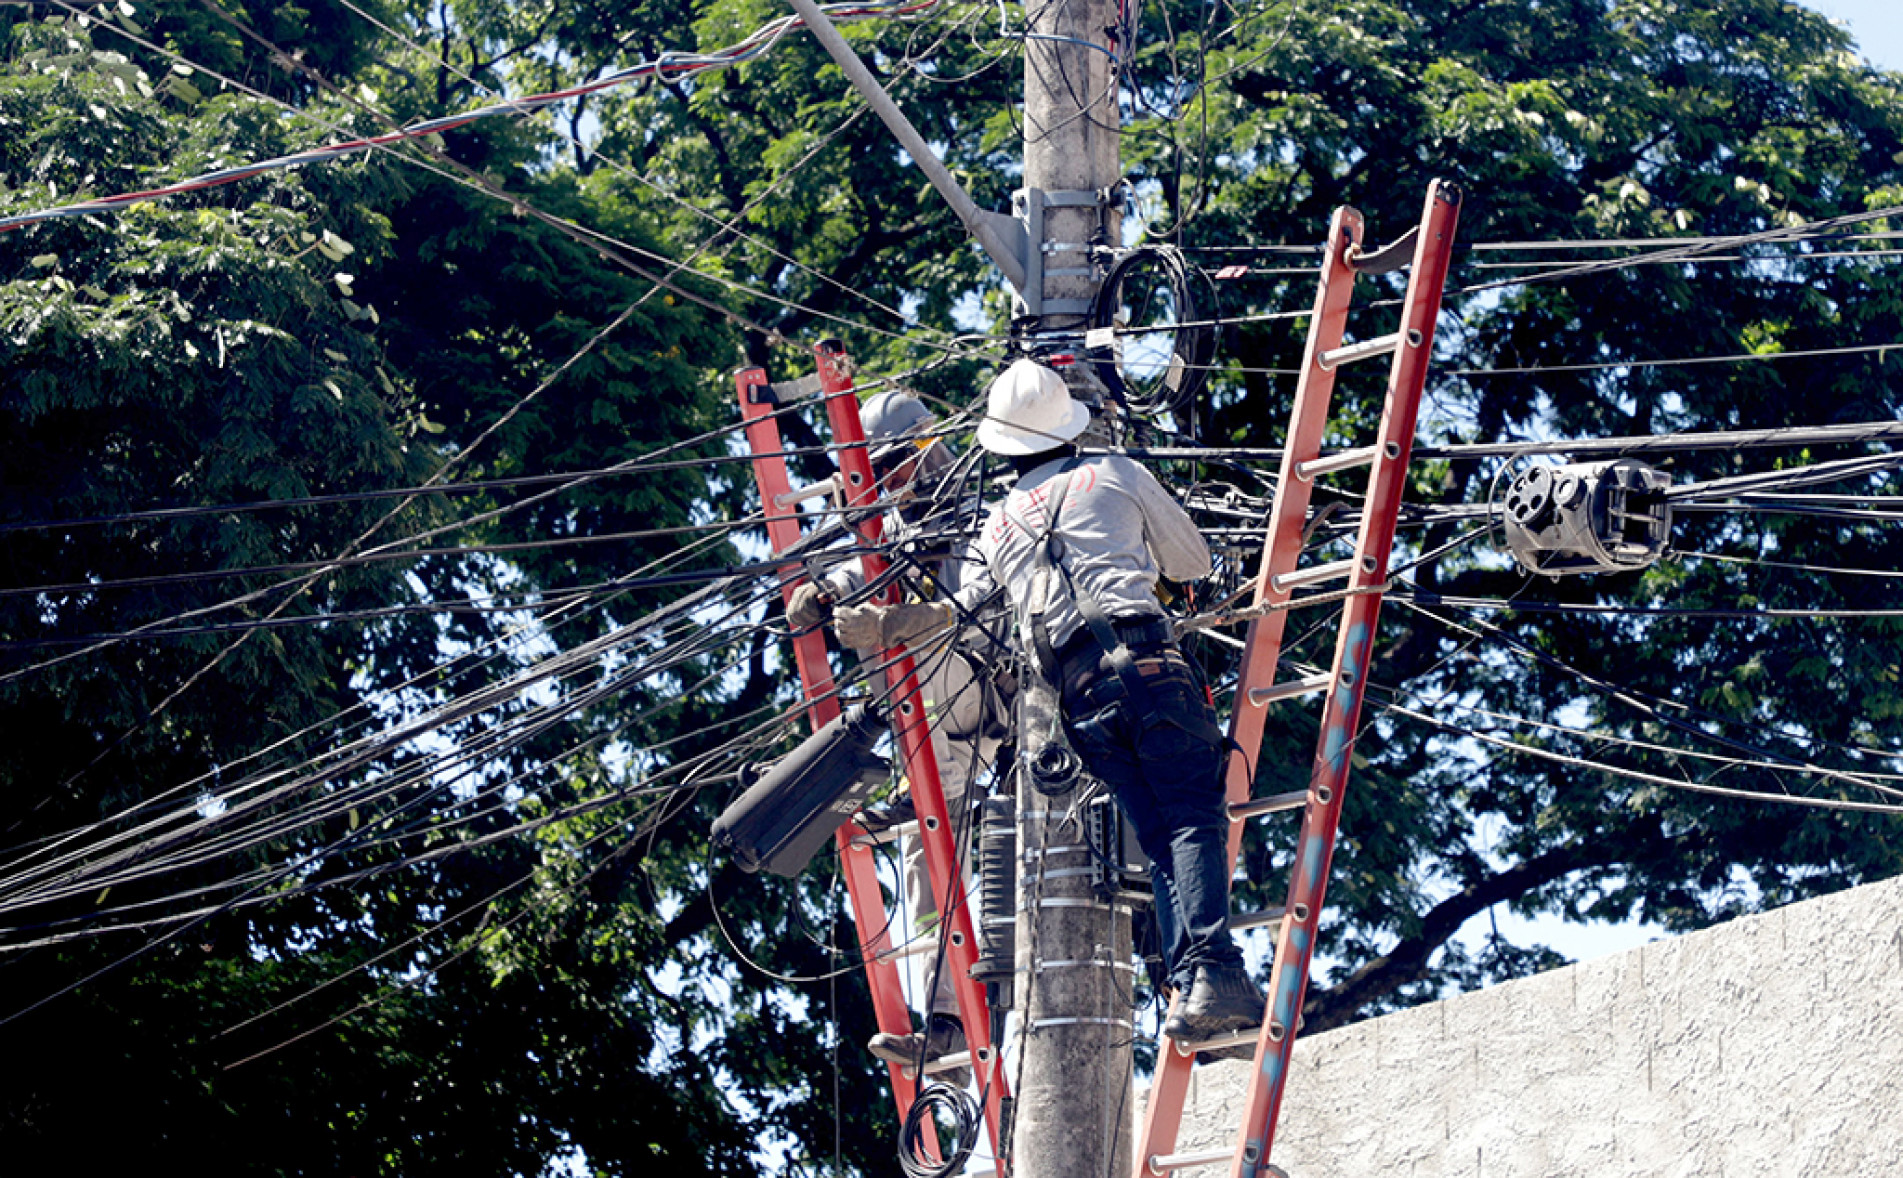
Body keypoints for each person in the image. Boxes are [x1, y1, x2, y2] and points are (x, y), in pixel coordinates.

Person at [836, 359, 1264, 1045]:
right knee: (1191, 817)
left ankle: (1190, 988)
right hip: (1147, 665)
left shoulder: (996, 524)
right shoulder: (1117, 472)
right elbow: (1192, 563)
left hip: (1081, 705)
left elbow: (968, 611)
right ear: (1069, 426)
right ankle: (1213, 970)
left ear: (1001, 446)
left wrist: (896, 622)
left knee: (1160, 837)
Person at [787, 389, 1008, 1083]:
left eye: (894, 464)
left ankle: (925, 783)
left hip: (986, 699)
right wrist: (824, 592)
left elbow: (982, 608)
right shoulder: (893, 527)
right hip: (933, 730)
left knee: (910, 636)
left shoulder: (983, 509)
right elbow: (865, 569)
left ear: (925, 445)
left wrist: (894, 623)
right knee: (924, 860)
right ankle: (946, 1023)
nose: (889, 481)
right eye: (877, 472)